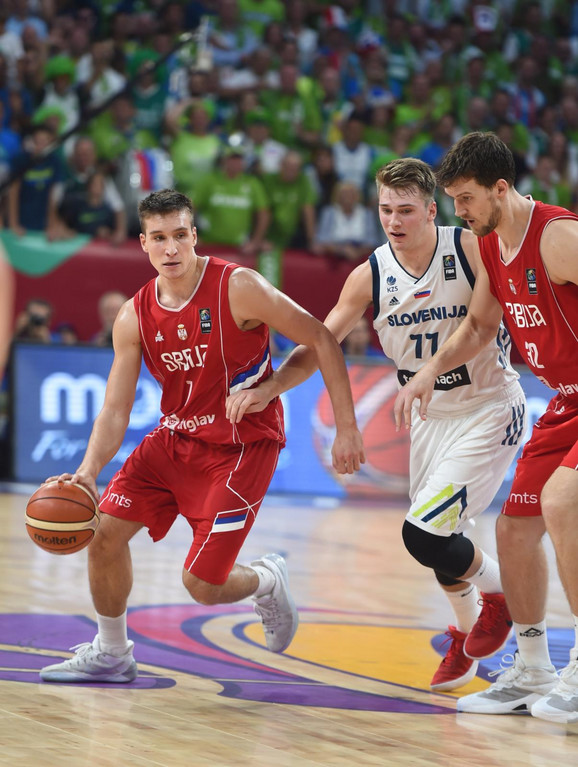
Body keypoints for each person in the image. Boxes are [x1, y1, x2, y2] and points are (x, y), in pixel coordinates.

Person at [39, 189, 364, 684]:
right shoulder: (133, 316)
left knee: (202, 586)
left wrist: (345, 427)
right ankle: (112, 651)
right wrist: (87, 472)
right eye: (159, 239)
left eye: (179, 236)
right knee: (101, 537)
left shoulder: (239, 287)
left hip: (241, 447)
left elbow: (319, 336)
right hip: (172, 442)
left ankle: (265, 579)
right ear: (144, 244)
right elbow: (116, 408)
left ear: (194, 237)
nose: (171, 249)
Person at [226, 158, 527, 692]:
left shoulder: (470, 250)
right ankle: (466, 636)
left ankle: (502, 598)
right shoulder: (370, 273)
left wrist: (430, 373)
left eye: (406, 210)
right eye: (385, 209)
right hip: (430, 416)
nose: (394, 220)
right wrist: (270, 386)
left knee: (424, 532)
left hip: (487, 405)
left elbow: (484, 328)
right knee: (441, 540)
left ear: (432, 210)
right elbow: (321, 341)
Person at [394, 132, 578, 722]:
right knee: (514, 529)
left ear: (502, 188)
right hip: (564, 400)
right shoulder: (491, 247)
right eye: (452, 200)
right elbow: (477, 328)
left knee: (563, 501)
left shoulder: (558, 238)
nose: (459, 213)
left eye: (467, 198)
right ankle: (531, 669)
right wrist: (427, 372)